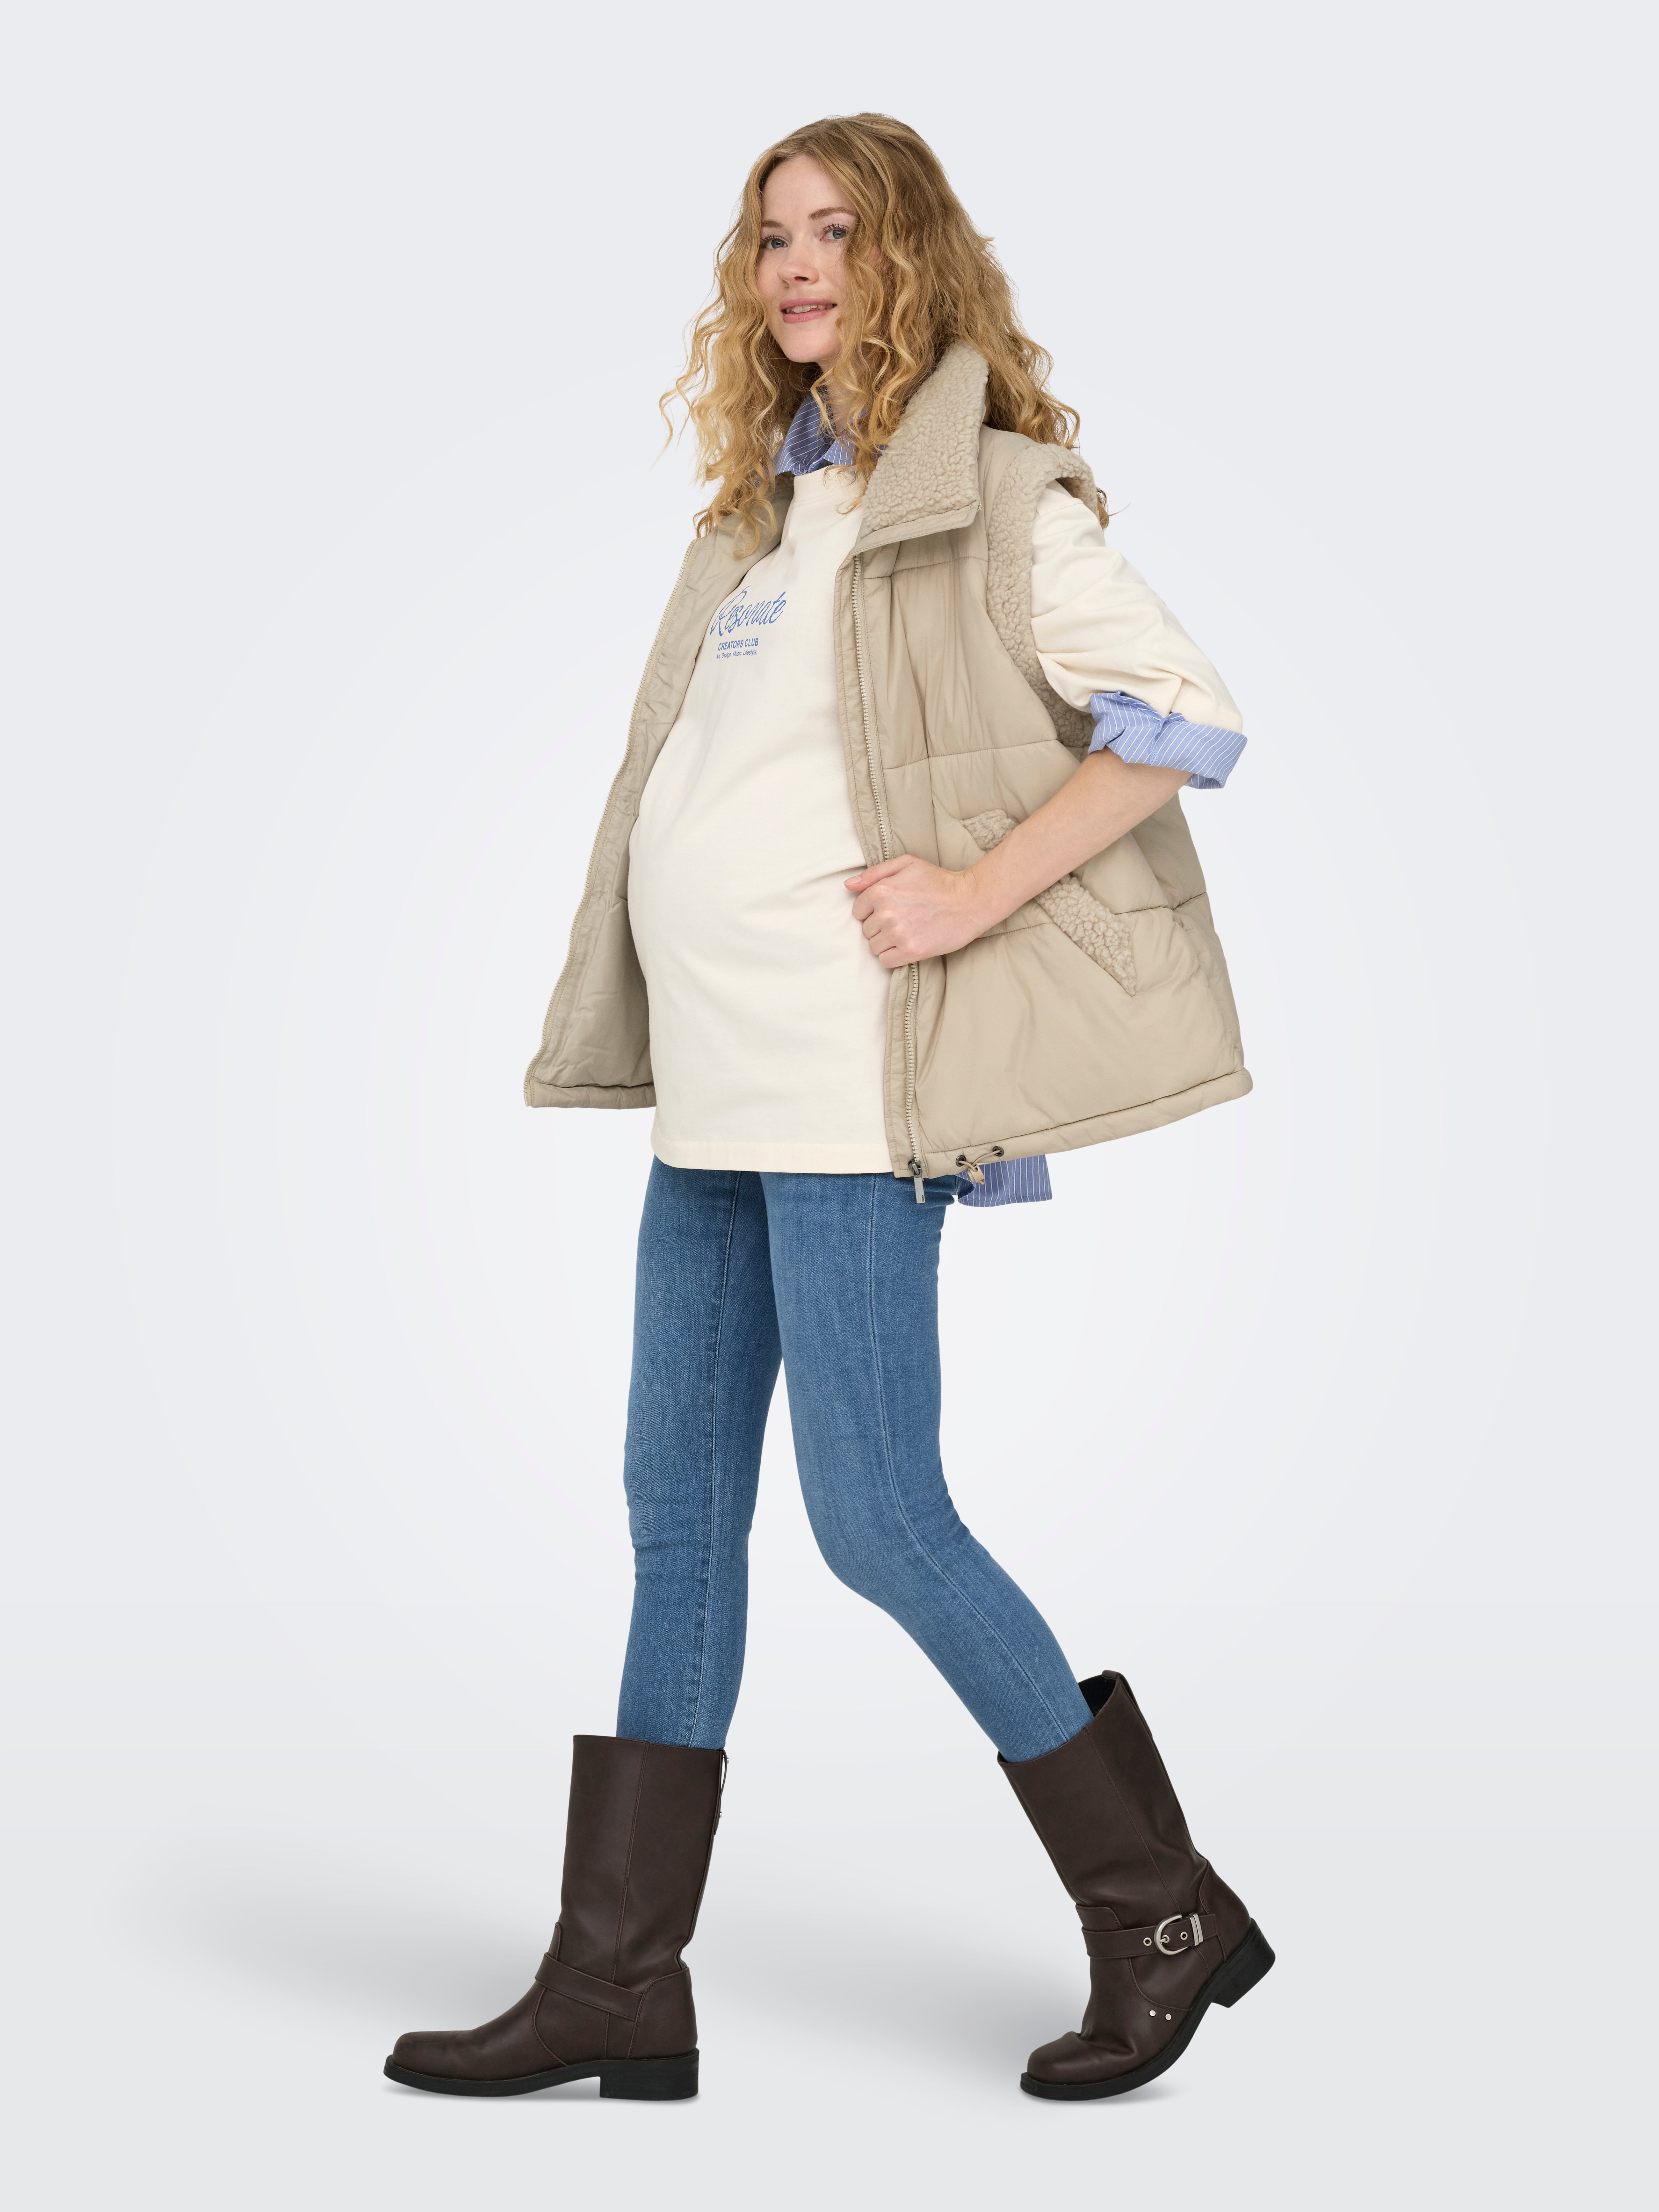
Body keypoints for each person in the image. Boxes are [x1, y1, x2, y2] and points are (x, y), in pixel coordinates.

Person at [385, 112, 1272, 2107]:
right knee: (675, 1525)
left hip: (857, 1090)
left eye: (837, 231)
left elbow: (1185, 715)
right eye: (769, 234)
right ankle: (617, 1980)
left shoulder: (996, 504)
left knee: (879, 1520)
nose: (795, 265)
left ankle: (1159, 1911)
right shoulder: (754, 522)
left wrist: (970, 891)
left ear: (910, 258)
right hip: (714, 1091)